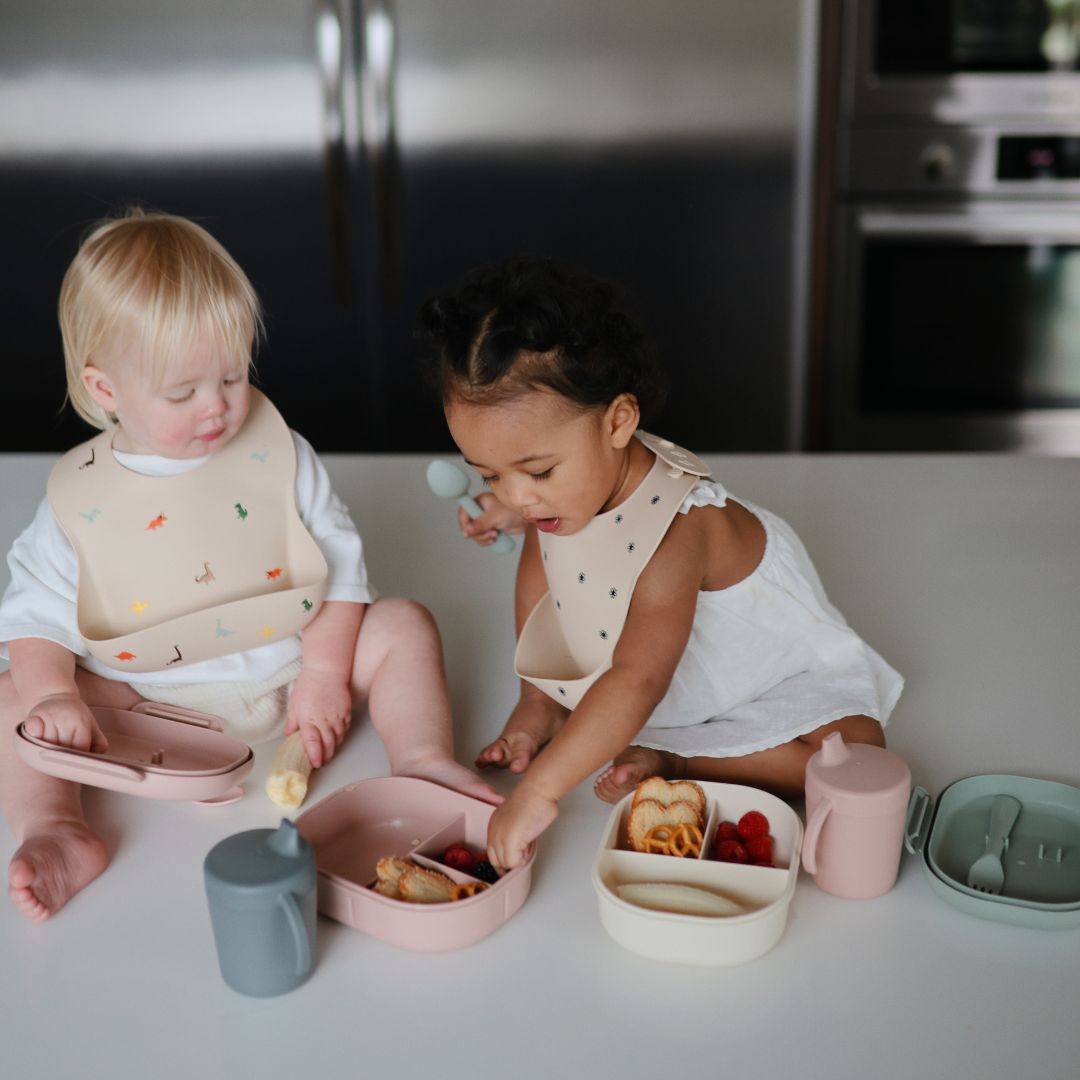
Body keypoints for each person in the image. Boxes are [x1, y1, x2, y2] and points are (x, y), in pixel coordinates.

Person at [1, 209, 496, 922]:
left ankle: (419, 762)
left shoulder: (277, 455)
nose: (218, 407)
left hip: (285, 679)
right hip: (139, 709)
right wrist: (54, 695)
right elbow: (34, 615)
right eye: (183, 392)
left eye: (233, 376)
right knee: (12, 694)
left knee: (402, 624)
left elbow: (341, 572)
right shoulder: (82, 501)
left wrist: (325, 675)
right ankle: (58, 828)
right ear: (105, 390)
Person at [418, 256, 903, 872]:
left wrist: (541, 789)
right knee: (548, 535)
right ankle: (540, 696)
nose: (515, 494)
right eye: (489, 473)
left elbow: (637, 682)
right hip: (645, 659)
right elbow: (550, 529)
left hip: (744, 672)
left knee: (855, 755)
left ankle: (680, 762)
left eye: (537, 471)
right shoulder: (570, 488)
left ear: (619, 421)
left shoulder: (680, 532)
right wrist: (513, 507)